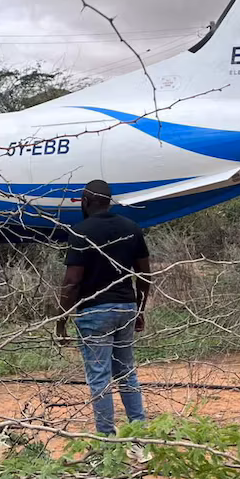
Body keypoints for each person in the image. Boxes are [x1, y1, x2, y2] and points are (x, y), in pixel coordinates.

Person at [57, 180, 151, 437]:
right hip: (126, 308)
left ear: (85, 201)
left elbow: (72, 281)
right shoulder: (132, 228)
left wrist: (62, 320)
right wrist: (140, 310)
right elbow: (144, 275)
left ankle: (106, 440)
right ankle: (139, 438)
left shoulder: (81, 230)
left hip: (94, 312)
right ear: (109, 201)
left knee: (99, 378)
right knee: (126, 373)